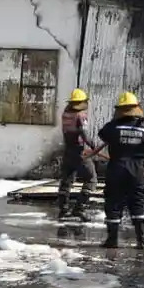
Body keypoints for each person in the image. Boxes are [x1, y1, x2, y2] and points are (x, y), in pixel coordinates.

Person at [97, 92, 144, 249]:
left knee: (114, 201)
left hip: (117, 168)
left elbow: (102, 135)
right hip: (137, 169)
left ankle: (112, 240)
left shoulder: (113, 127)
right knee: (137, 201)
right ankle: (141, 240)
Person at [48, 88, 97, 219]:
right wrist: (93, 145)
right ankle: (79, 208)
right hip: (79, 152)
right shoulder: (80, 115)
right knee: (91, 179)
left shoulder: (66, 113)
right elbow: (84, 133)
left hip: (68, 151)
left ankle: (63, 210)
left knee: (66, 180)